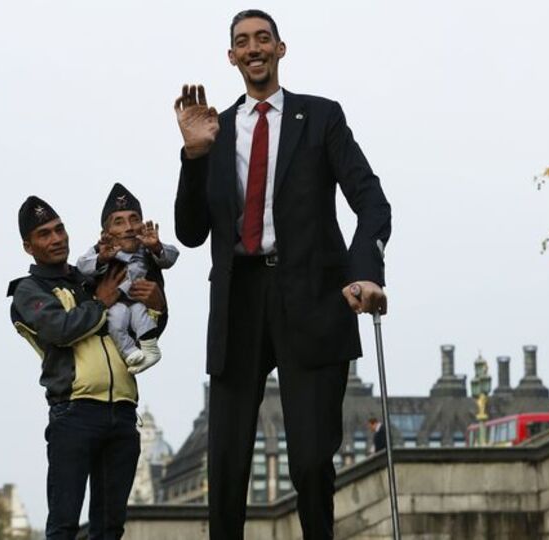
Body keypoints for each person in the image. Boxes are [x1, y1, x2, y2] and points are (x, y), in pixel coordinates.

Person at [173, 9, 391, 539]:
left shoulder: (321, 117)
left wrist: (366, 273)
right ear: (231, 57)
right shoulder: (216, 132)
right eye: (243, 41)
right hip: (239, 299)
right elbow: (191, 232)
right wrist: (194, 156)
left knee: (312, 461)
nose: (254, 48)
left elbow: (372, 202)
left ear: (280, 48)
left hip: (313, 296)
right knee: (226, 467)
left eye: (263, 38)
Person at [7, 195, 166, 540]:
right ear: (28, 247)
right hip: (74, 414)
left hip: (123, 412)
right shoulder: (28, 290)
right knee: (63, 526)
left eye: (59, 229)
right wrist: (99, 303)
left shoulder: (94, 275)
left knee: (110, 528)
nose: (56, 238)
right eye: (44, 234)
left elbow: (138, 328)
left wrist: (158, 304)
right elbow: (59, 330)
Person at [77, 183, 179, 375]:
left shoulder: (147, 250)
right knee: (116, 320)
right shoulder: (101, 251)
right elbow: (83, 266)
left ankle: (150, 350)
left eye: (134, 220)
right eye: (119, 222)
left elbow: (170, 257)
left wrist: (156, 247)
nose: (129, 228)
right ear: (106, 233)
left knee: (142, 319)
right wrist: (102, 259)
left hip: (138, 305)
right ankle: (130, 352)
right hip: (112, 316)